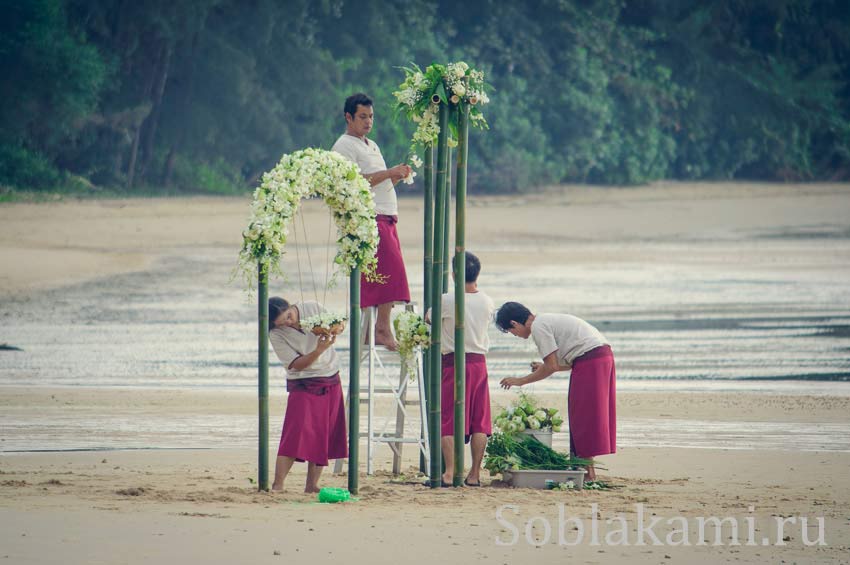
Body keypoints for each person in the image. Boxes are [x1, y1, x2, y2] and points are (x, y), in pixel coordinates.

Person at [496, 302, 616, 480]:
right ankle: (582, 468)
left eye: (511, 331)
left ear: (514, 323)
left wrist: (520, 381)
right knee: (583, 414)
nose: (515, 335)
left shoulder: (538, 327)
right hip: (598, 357)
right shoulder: (544, 320)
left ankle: (588, 473)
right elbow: (564, 362)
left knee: (583, 416)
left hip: (592, 360)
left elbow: (551, 366)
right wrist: (543, 367)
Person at [332, 92, 412, 351]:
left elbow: (378, 181)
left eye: (371, 117)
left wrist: (396, 176)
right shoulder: (343, 146)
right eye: (362, 117)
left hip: (387, 213)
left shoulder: (372, 145)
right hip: (370, 217)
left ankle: (377, 328)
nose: (368, 122)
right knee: (391, 272)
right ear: (349, 117)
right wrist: (389, 173)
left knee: (392, 272)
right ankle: (381, 329)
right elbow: (354, 182)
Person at [427, 252, 495, 487]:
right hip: (479, 363)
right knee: (479, 420)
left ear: (454, 275)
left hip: (454, 363)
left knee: (449, 416)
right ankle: (474, 474)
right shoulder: (487, 301)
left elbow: (429, 319)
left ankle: (449, 472)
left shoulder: (447, 300)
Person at [268, 296, 347, 493]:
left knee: (326, 433)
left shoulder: (311, 307)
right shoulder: (276, 335)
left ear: (290, 307)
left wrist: (334, 329)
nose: (289, 322)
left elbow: (340, 322)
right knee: (295, 433)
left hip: (331, 375)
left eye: (289, 316)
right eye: (282, 323)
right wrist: (318, 350)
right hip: (303, 382)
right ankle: (278, 485)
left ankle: (312, 485)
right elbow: (296, 365)